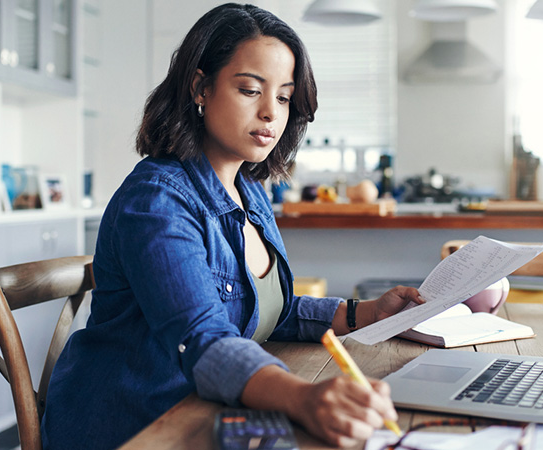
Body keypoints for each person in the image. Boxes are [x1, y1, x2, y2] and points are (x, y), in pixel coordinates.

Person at [41, 4, 424, 449]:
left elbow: (259, 310)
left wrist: (364, 313)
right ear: (201, 87)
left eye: (283, 97)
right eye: (249, 90)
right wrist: (303, 397)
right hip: (135, 427)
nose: (270, 113)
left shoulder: (251, 190)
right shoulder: (157, 201)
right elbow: (204, 338)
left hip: (206, 413)